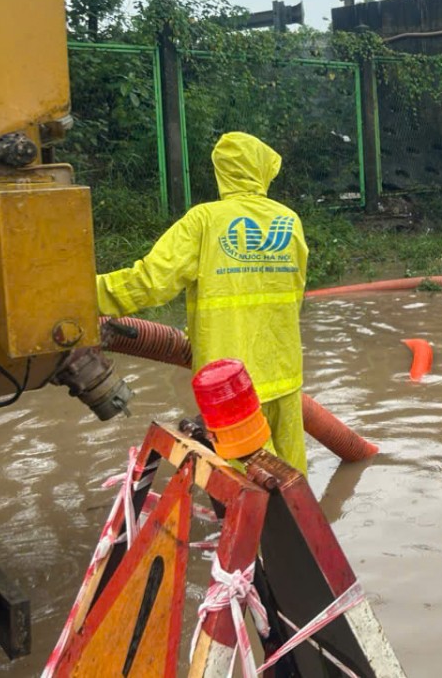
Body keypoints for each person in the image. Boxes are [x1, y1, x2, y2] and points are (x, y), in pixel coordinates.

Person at [96, 132, 310, 474]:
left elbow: (149, 282)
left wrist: (84, 294)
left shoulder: (205, 221)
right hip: (284, 370)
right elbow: (294, 293)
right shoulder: (289, 220)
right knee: (293, 477)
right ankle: (306, 526)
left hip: (228, 384)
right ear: (262, 169)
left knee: (248, 481)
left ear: (221, 172)